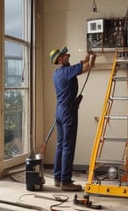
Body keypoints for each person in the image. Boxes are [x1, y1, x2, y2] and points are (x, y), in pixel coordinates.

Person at [49, 46, 96, 191]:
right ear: (60, 59)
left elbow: (83, 63)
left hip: (59, 111)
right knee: (68, 146)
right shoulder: (67, 71)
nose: (68, 56)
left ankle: (58, 178)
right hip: (68, 112)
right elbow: (87, 66)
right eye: (65, 55)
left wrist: (88, 55)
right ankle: (66, 181)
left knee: (60, 145)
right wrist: (93, 58)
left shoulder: (57, 73)